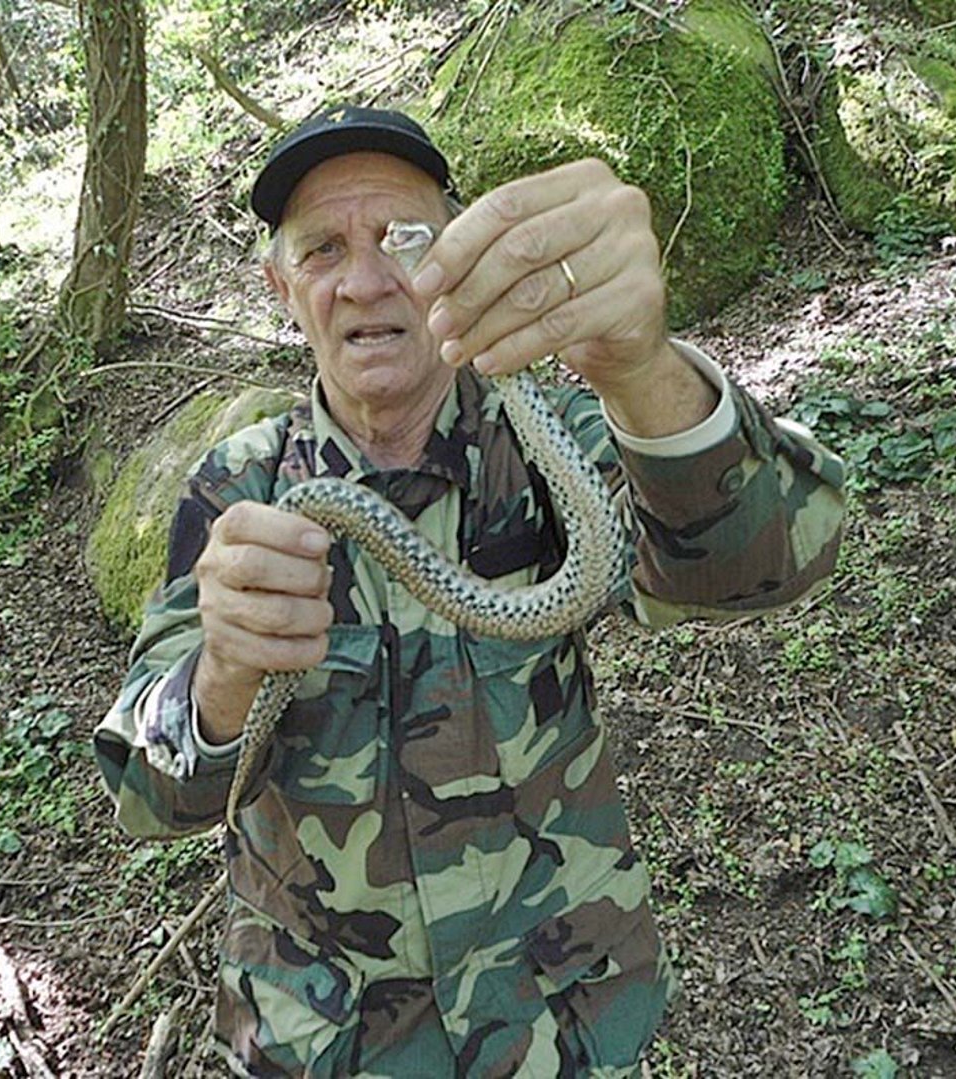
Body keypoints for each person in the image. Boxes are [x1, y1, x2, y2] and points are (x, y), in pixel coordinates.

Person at [95, 105, 845, 1077]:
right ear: (282, 287)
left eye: (402, 239)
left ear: (454, 258)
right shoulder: (238, 487)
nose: (366, 279)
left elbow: (764, 565)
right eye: (323, 248)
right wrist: (224, 676)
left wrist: (640, 368)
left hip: (559, 1017)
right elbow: (151, 796)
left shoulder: (547, 431)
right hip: (327, 1041)